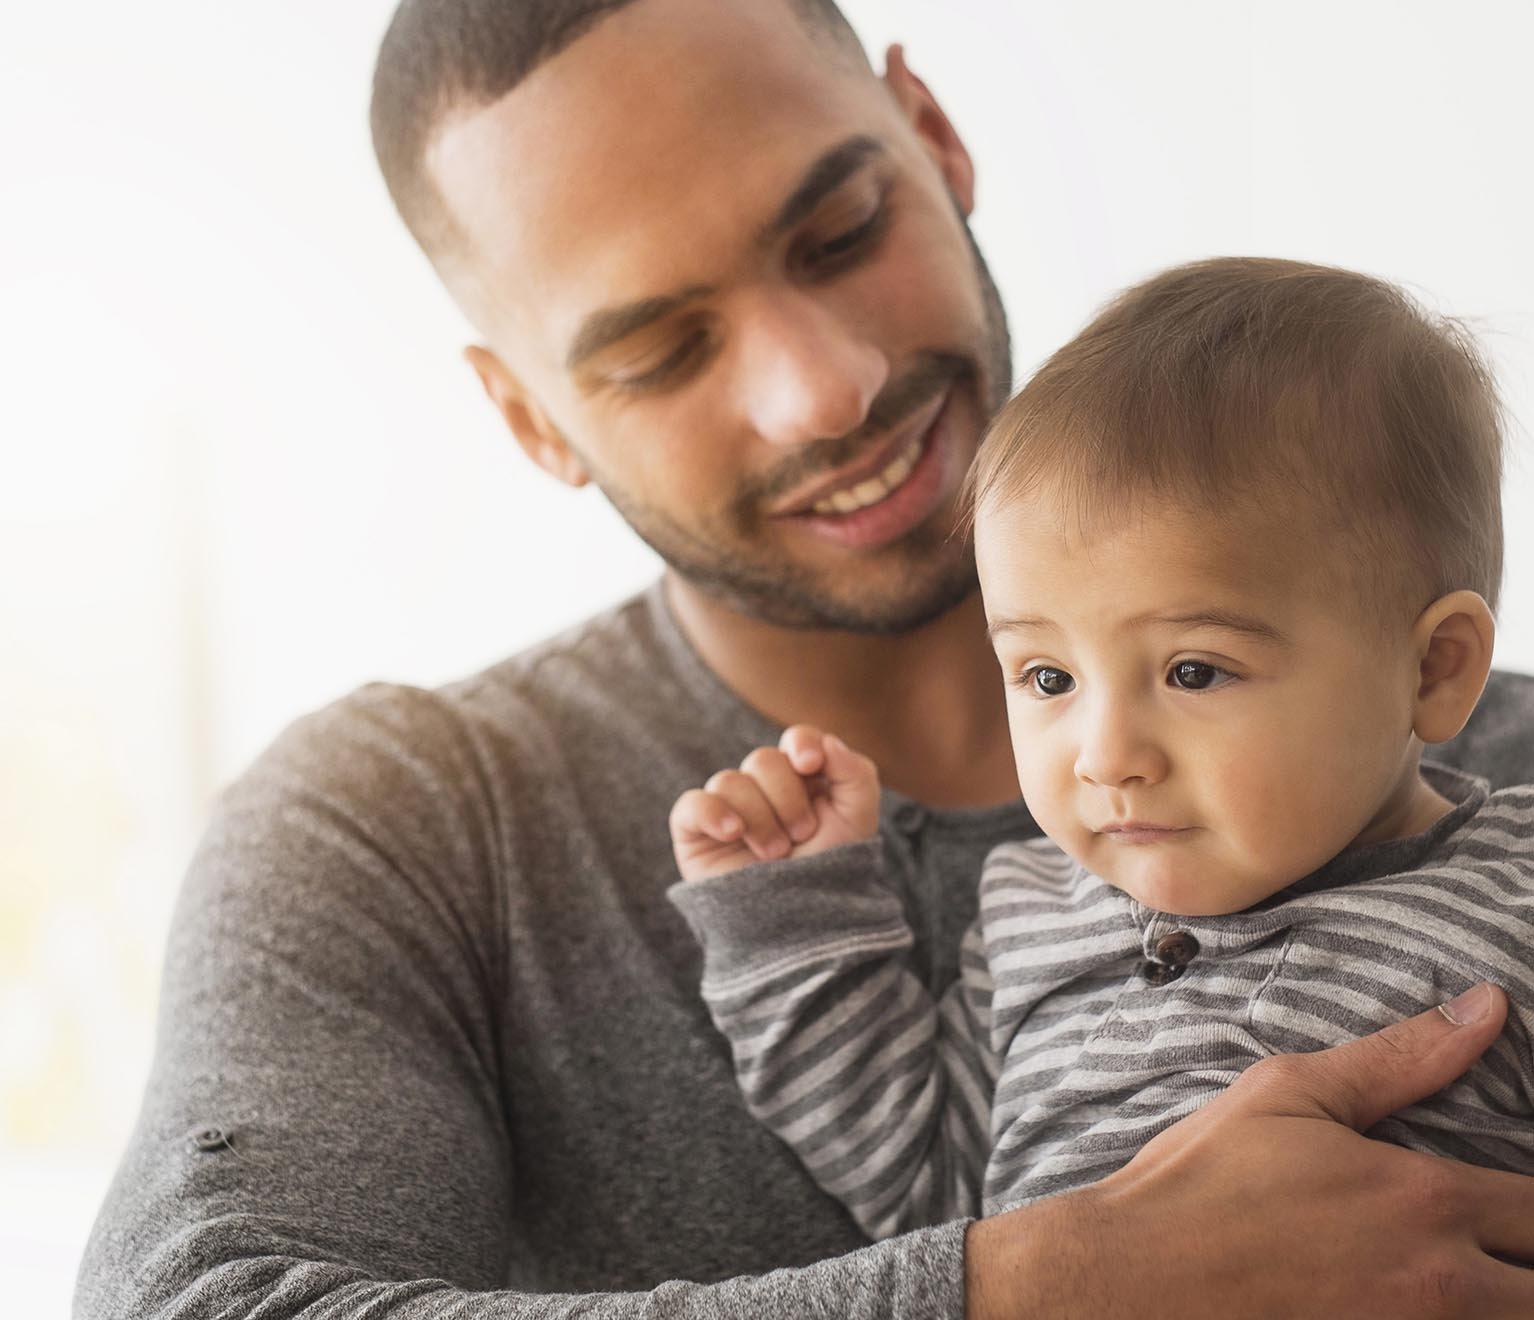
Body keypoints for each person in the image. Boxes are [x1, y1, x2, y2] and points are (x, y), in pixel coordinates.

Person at [74, 2, 1534, 1317]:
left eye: (839, 233)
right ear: (527, 418)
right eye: (658, 352)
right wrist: (1053, 1283)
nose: (821, 390)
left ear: (937, 138)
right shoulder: (405, 826)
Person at [667, 255, 1534, 1239]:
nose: (1104, 754)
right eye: (1048, 679)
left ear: (1432, 670)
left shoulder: (1516, 898)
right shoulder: (1035, 923)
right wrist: (794, 919)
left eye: (1192, 672)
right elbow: (925, 1188)